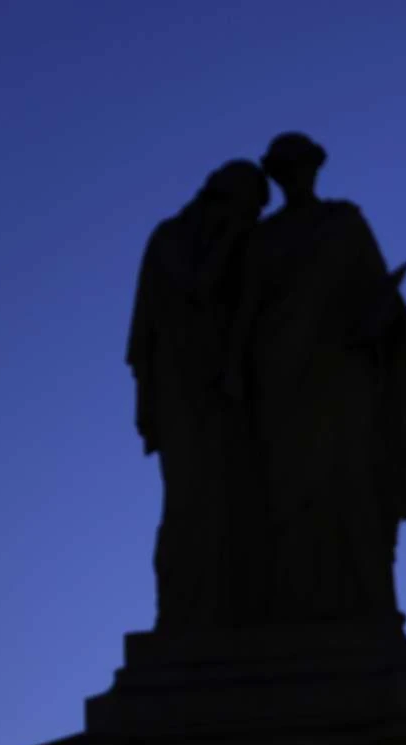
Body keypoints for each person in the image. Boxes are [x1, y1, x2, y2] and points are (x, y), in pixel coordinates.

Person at [230, 132, 406, 624]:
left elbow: (383, 304)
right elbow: (244, 320)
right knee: (289, 502)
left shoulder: (344, 224)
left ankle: (361, 606)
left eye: (302, 166)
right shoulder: (263, 241)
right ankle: (297, 608)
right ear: (277, 175)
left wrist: (374, 324)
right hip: (283, 389)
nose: (297, 176)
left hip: (344, 384)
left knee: (354, 493)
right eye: (287, 168)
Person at [127, 160, 270, 630]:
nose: (252, 222)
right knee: (194, 502)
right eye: (251, 209)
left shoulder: (217, 239)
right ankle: (189, 610)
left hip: (225, 392)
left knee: (235, 501)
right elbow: (197, 292)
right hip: (189, 391)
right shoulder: (174, 239)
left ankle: (232, 604)